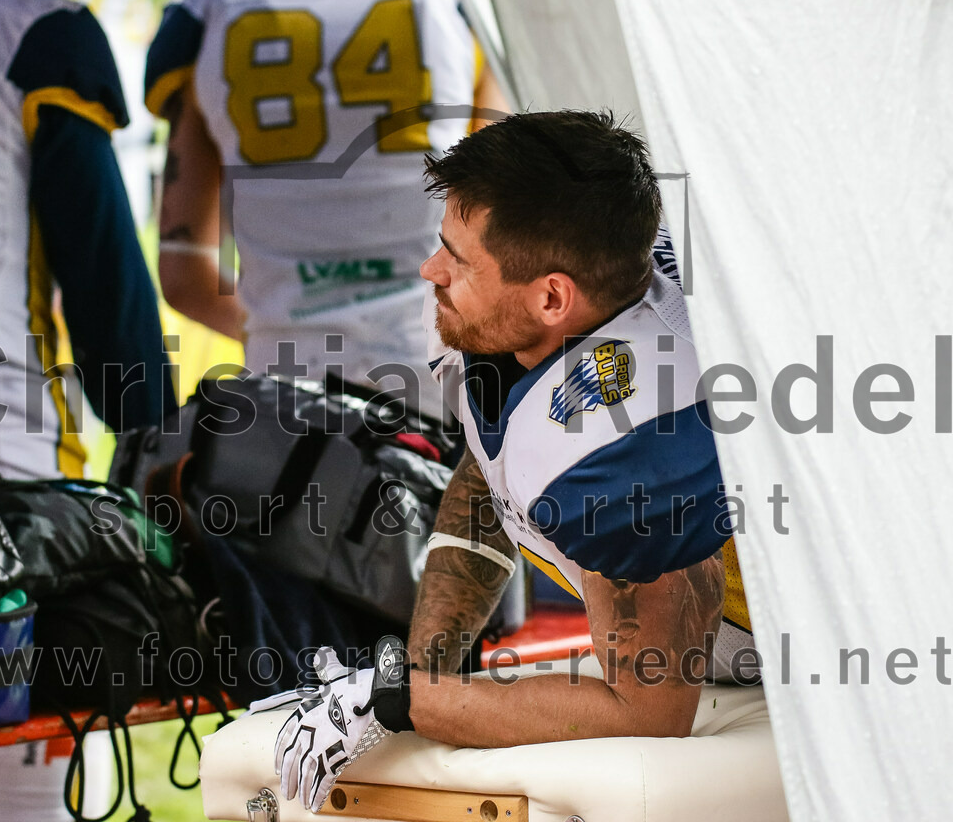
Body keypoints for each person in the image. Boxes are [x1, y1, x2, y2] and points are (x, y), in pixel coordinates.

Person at [263, 110, 756, 813]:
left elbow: (647, 712)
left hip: (773, 655)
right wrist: (425, 666)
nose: (431, 270)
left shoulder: (633, 447)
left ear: (553, 296)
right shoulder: (560, 301)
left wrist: (407, 699)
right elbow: (490, 468)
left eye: (458, 260)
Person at [0, 0, 176, 819]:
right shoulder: (33, 37)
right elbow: (102, 263)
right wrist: (149, 424)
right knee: (35, 786)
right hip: (2, 472)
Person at [144, 0, 506, 417]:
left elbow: (185, 277)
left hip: (284, 393)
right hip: (437, 380)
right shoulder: (458, 3)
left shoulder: (210, 15)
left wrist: (288, 327)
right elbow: (506, 237)